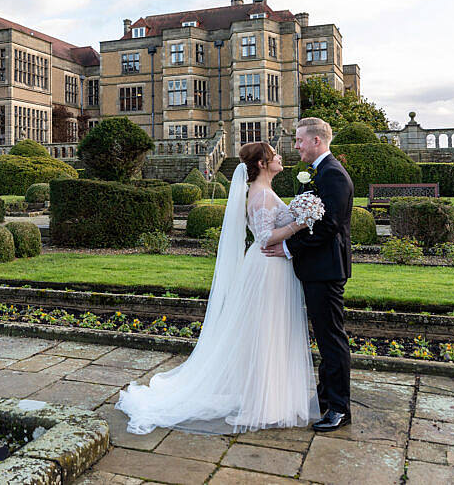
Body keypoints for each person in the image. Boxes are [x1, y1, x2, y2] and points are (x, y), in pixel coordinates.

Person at [116, 141, 320, 434]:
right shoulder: (261, 195)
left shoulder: (264, 191)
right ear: (262, 163)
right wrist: (301, 223)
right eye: (274, 155)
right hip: (267, 268)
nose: (279, 158)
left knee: (272, 330)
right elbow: (264, 237)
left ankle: (272, 399)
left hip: (273, 268)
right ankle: (262, 402)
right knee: (266, 332)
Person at [264, 117, 354, 432]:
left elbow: (328, 227)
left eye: (300, 140)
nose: (296, 145)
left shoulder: (333, 176)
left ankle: (339, 408)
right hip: (314, 268)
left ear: (316, 140)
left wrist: (288, 248)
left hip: (326, 269)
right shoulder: (315, 174)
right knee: (324, 336)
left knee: (331, 338)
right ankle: (327, 399)